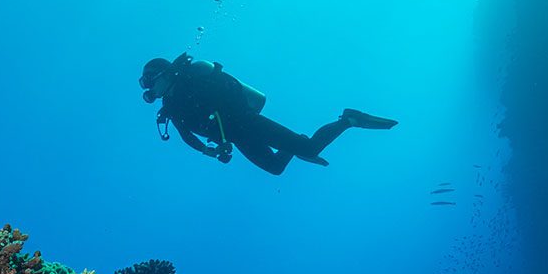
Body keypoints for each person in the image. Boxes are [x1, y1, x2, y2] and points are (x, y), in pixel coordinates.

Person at [139, 53, 397, 175]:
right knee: (275, 168)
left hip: (247, 122)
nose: (149, 88)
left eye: (150, 80)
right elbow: (186, 136)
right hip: (237, 137)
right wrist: (211, 151)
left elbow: (225, 96)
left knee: (309, 149)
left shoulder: (191, 82)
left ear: (164, 73)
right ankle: (297, 145)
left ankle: (348, 120)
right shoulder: (172, 106)